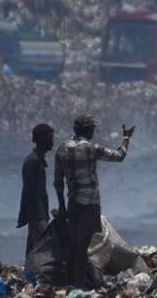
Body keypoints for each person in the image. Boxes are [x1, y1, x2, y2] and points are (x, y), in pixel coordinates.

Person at [54, 114, 134, 288]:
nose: (93, 131)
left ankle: (69, 281)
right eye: (92, 128)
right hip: (90, 204)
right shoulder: (91, 148)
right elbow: (119, 156)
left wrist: (62, 207)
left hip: (72, 203)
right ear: (87, 129)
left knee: (73, 243)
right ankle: (78, 284)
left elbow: (58, 182)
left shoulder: (62, 148)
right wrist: (126, 138)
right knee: (83, 245)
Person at [18, 123, 54, 257]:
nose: (52, 141)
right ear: (43, 140)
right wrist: (24, 215)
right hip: (37, 215)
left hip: (39, 213)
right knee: (43, 251)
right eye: (50, 138)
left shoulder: (37, 160)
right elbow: (27, 191)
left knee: (33, 249)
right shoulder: (33, 161)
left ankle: (29, 276)